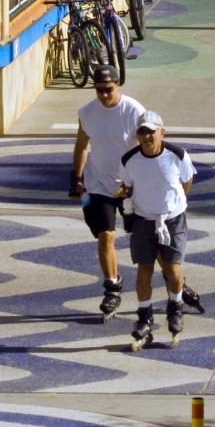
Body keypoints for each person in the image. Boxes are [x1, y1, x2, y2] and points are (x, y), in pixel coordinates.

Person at [113, 110, 203, 348]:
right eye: (142, 132)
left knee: (172, 270)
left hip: (172, 219)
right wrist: (124, 196)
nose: (146, 137)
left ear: (161, 133)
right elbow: (128, 188)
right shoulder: (128, 160)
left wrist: (175, 204)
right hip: (143, 220)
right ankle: (144, 317)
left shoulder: (177, 155)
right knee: (144, 270)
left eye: (151, 132)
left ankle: (175, 308)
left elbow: (187, 180)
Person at [70, 72, 145, 316]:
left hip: (130, 185)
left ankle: (174, 278)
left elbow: (149, 145)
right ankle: (112, 286)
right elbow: (82, 146)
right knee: (106, 235)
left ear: (118, 84)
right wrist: (77, 178)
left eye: (108, 89)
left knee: (147, 235)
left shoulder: (134, 111)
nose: (103, 95)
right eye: (99, 89)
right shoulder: (87, 112)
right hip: (99, 184)